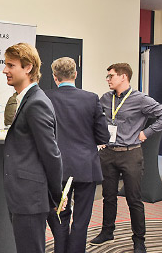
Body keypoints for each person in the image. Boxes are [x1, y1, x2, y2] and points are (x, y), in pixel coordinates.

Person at [90, 63, 162, 253]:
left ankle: (139, 240)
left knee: (134, 199)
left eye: (111, 76)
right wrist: (99, 137)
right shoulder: (105, 98)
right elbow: (97, 120)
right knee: (108, 196)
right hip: (108, 153)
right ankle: (107, 231)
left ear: (123, 77)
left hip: (131, 154)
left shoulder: (141, 99)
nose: (108, 79)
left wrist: (147, 133)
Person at [2, 43, 63, 253]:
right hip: (24, 196)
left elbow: (51, 154)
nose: (4, 70)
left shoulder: (36, 102)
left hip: (30, 197)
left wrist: (56, 197)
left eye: (11, 65)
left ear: (28, 68)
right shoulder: (26, 99)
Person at [45, 57, 110, 253]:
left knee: (59, 214)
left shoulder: (45, 97)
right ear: (75, 74)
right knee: (82, 218)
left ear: (55, 77)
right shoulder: (91, 98)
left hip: (58, 167)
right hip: (85, 167)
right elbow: (103, 136)